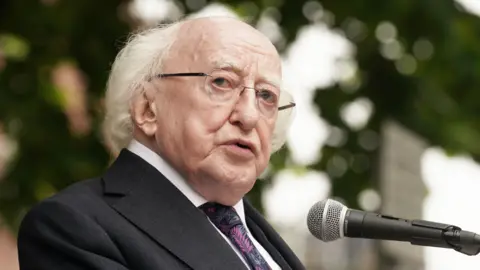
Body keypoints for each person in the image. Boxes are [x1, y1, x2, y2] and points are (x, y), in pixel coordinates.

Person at [17, 16, 304, 270]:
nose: (250, 116)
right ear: (147, 109)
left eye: (266, 96)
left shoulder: (254, 234)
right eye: (222, 82)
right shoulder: (74, 227)